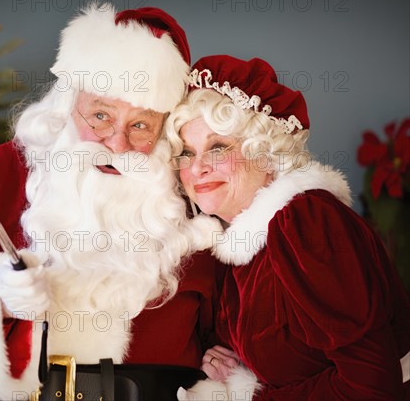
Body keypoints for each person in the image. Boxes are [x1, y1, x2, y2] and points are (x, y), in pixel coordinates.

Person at [0, 4, 223, 401]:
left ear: (163, 130)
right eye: (100, 115)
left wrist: (228, 361)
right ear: (67, 102)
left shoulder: (193, 191)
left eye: (140, 125)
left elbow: (237, 316)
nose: (117, 144)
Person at [166, 55, 410, 400]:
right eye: (187, 153)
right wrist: (235, 373)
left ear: (265, 154)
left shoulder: (307, 221)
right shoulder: (236, 246)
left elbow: (371, 386)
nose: (198, 168)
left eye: (217, 148)